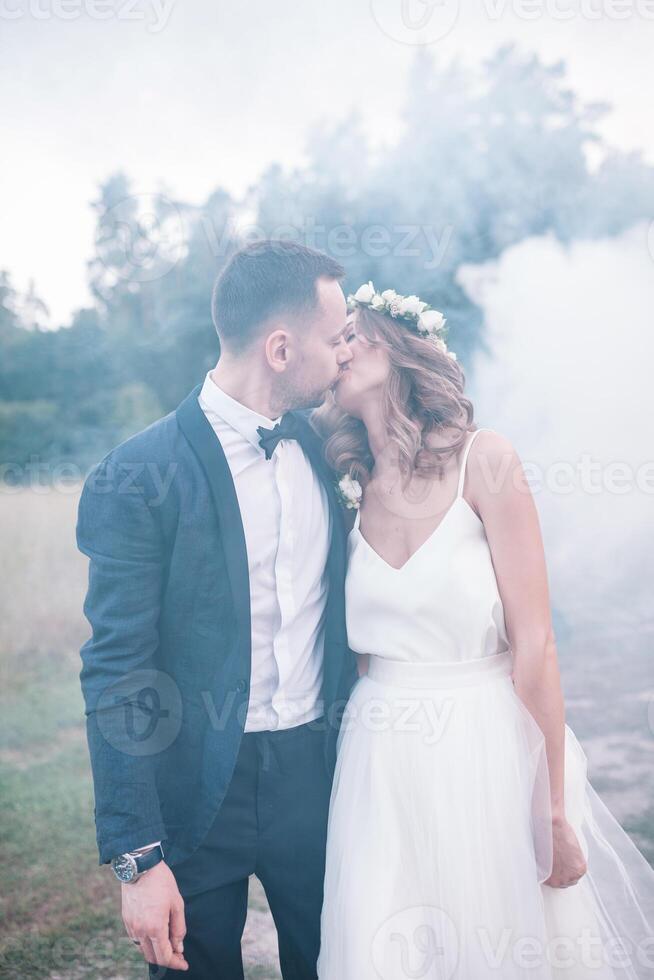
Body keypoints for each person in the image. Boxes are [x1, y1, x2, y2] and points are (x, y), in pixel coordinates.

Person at [313, 283, 654, 979]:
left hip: (488, 741)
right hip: (381, 754)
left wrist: (553, 808)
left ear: (399, 346)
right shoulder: (342, 485)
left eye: (351, 332)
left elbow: (536, 643)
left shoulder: (485, 459)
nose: (337, 349)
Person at [76, 240, 358, 979]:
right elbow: (117, 669)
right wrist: (138, 860)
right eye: (334, 342)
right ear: (280, 347)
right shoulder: (138, 475)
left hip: (320, 776)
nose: (344, 358)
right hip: (196, 787)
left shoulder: (334, 452)